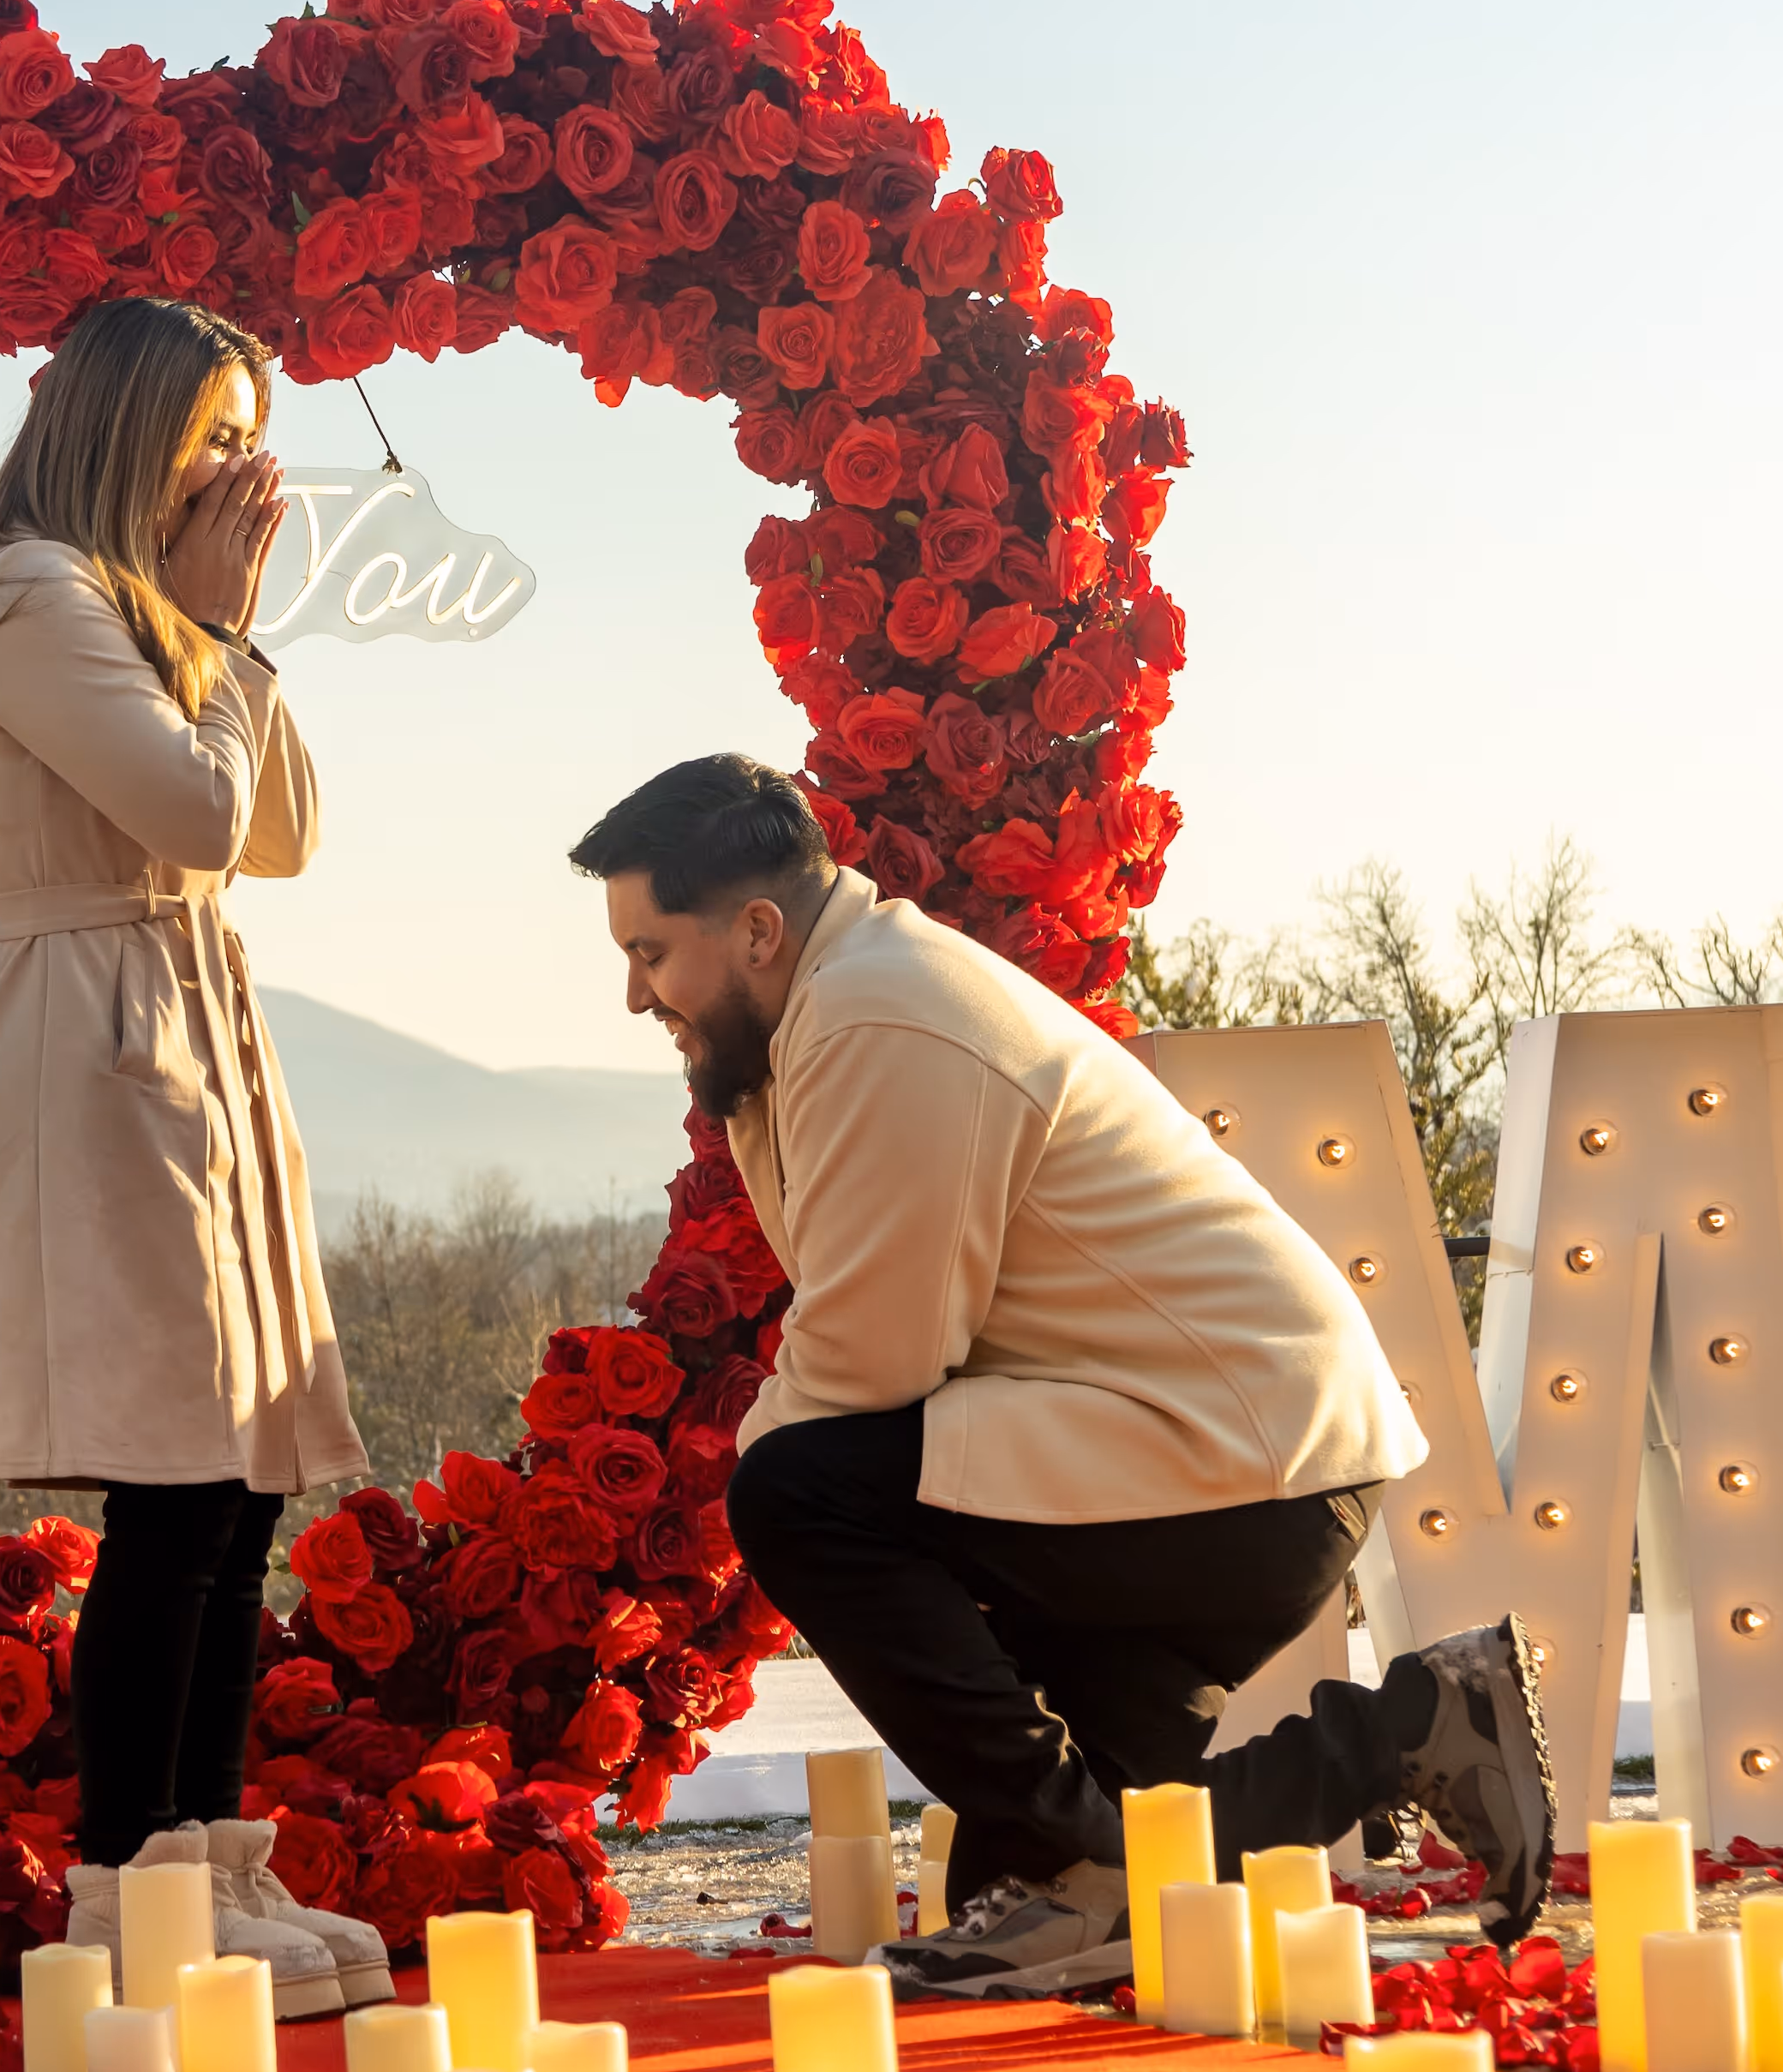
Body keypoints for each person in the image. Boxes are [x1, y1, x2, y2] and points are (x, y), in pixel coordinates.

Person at [567, 753, 1554, 1997]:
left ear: (757, 930)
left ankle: (1077, 1860)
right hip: (1200, 1455)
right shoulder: (833, 1002)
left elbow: (874, 1354)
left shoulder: (876, 1013)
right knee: (1123, 1844)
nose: (631, 994)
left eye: (652, 954)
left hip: (1228, 1463)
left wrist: (754, 1469)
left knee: (797, 1491)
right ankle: (1411, 1732)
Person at [0, 292, 390, 2018]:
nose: (240, 475)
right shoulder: (23, 595)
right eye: (211, 439)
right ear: (134, 435)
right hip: (100, 1043)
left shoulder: (132, 611)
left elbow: (274, 834)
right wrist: (206, 623)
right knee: (176, 1480)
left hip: (192, 1025)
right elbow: (194, 814)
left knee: (242, 1472)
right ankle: (126, 1882)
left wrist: (220, 635)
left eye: (247, 440)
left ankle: (204, 1851)